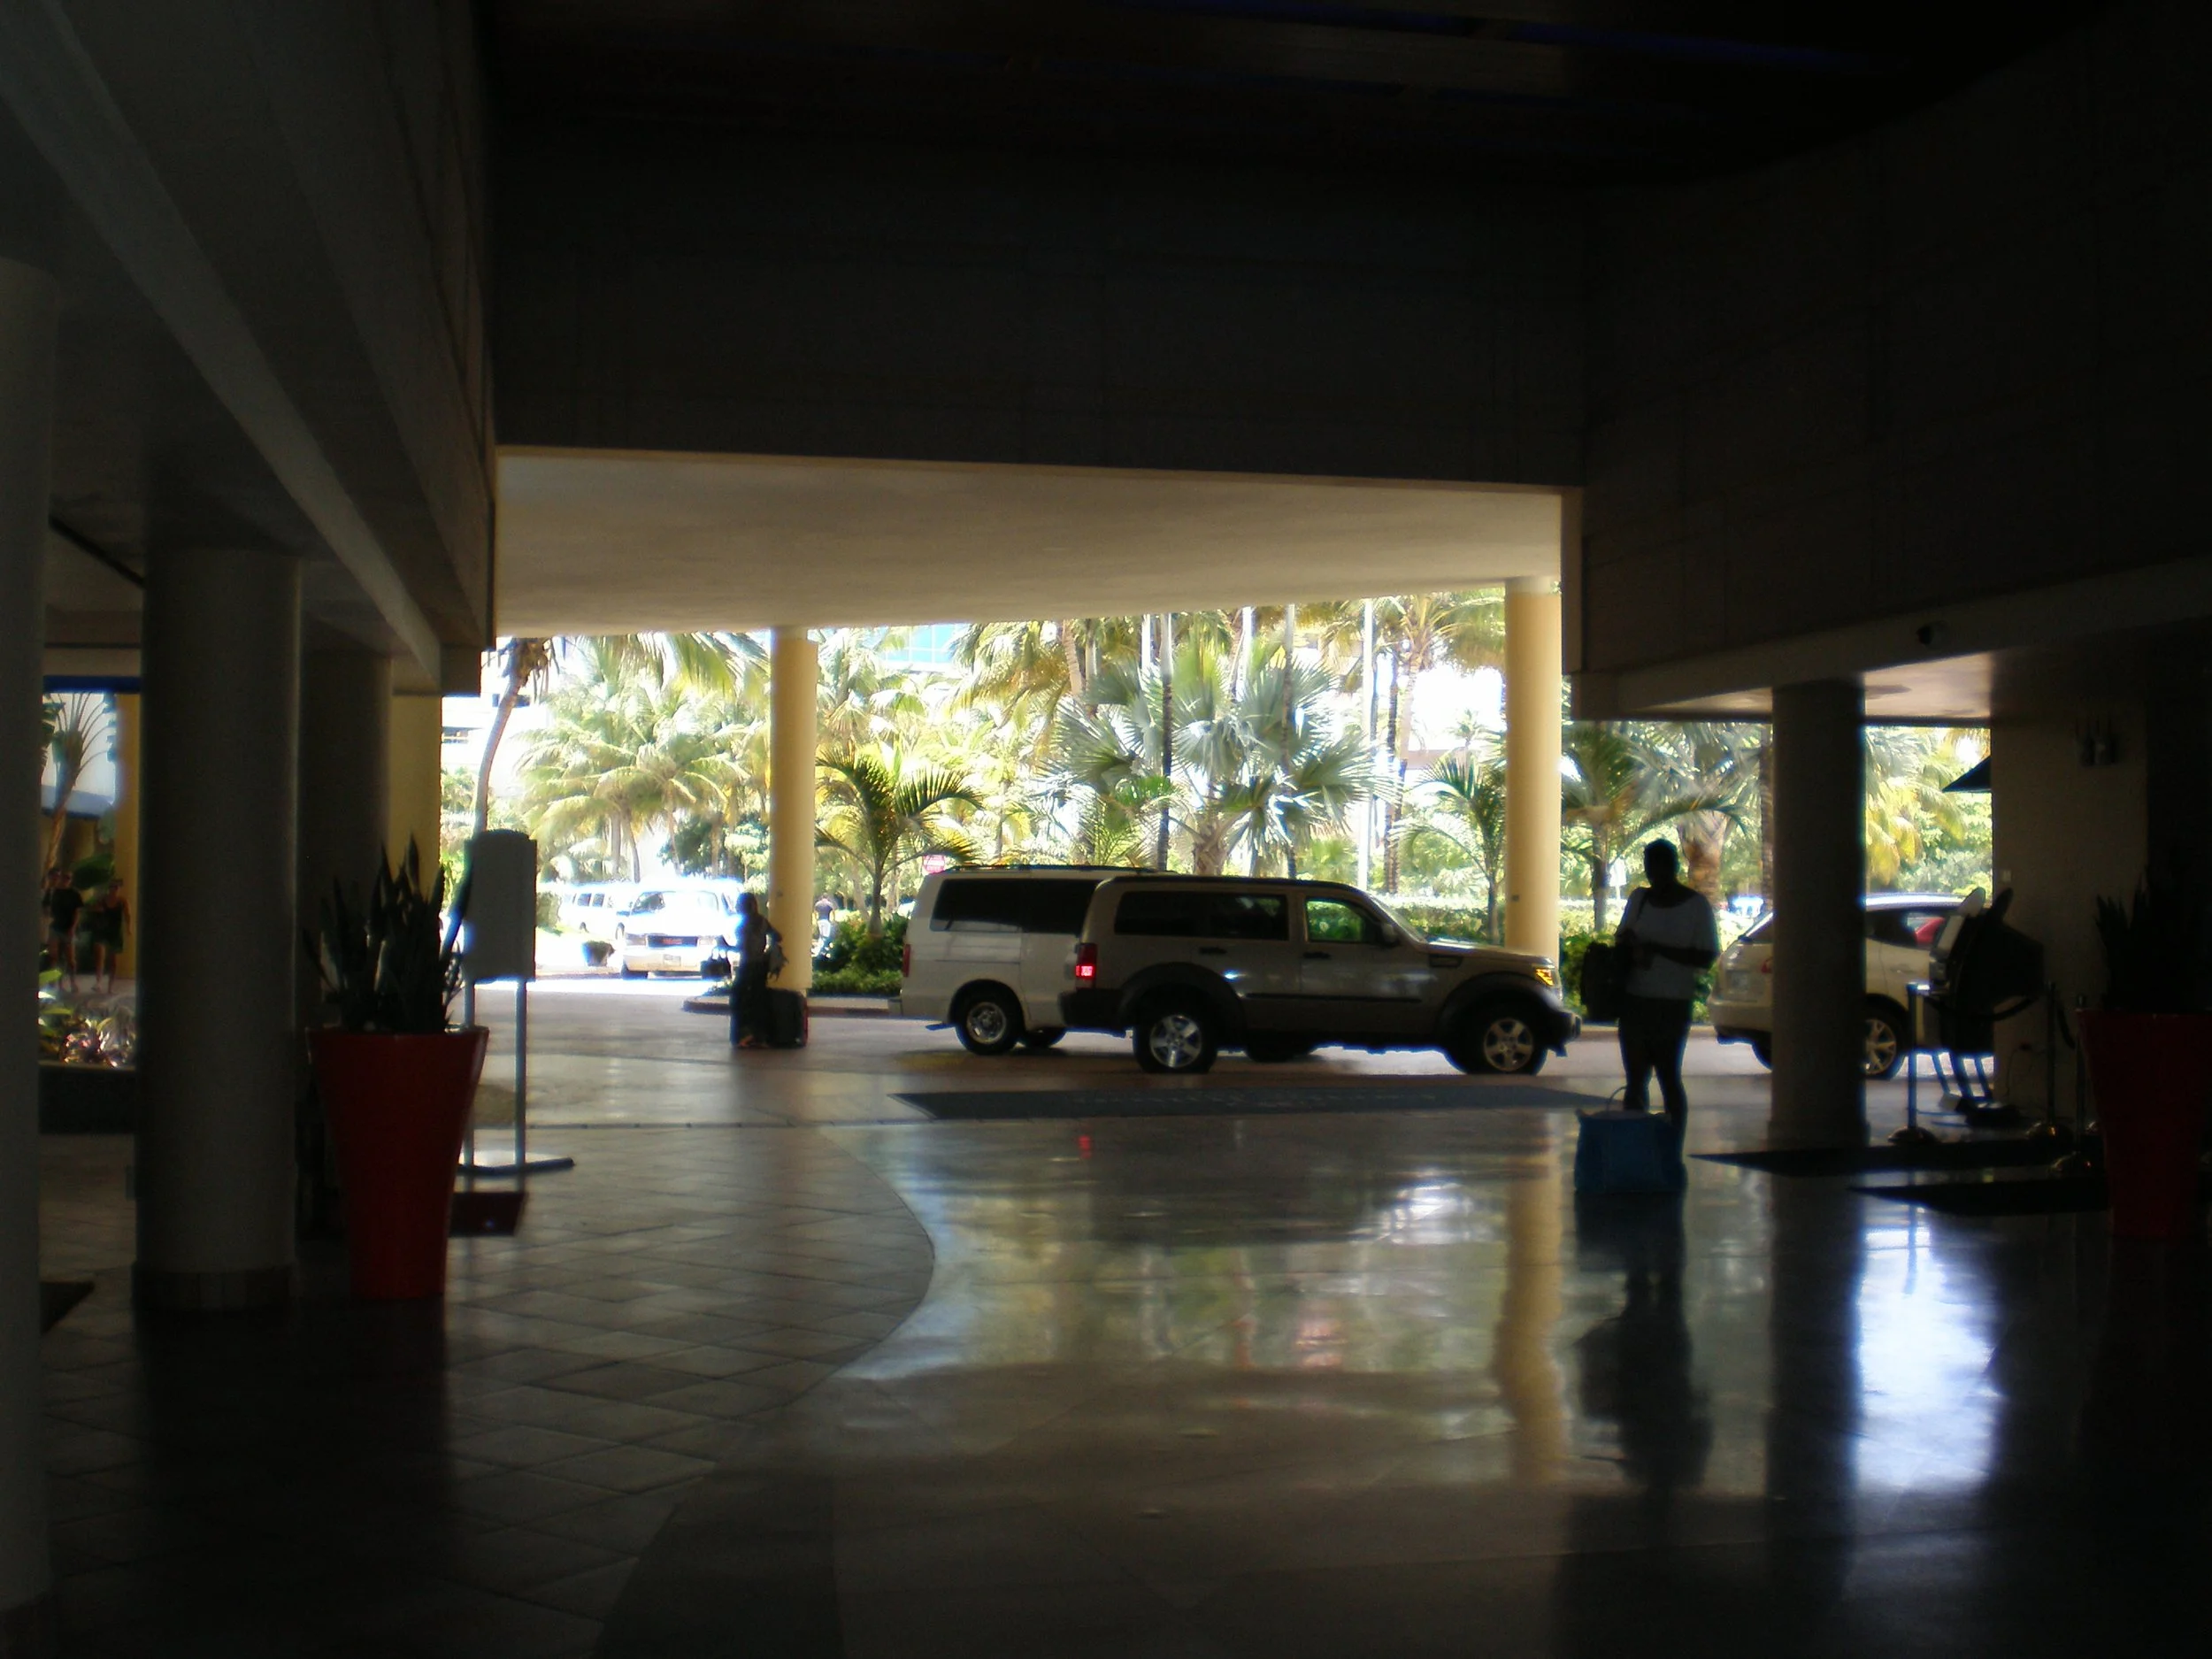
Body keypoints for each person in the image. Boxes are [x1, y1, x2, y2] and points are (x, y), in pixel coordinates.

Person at [1614, 841, 1718, 1130]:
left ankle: (1671, 1139)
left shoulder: (1696, 906)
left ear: (1673, 867)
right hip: (1636, 1000)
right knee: (1635, 1080)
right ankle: (1637, 1140)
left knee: (1668, 1076)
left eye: (1658, 866)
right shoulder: (1639, 899)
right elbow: (1621, 938)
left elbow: (1706, 956)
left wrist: (1657, 950)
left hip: (1673, 1003)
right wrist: (1632, 948)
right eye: (1650, 867)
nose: (1653, 874)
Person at [730, 891, 783, 1050]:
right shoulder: (762, 921)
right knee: (759, 1001)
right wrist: (767, 951)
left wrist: (725, 946)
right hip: (761, 966)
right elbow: (778, 937)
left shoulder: (744, 925)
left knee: (740, 1000)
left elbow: (745, 947)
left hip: (747, 966)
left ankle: (743, 1035)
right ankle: (759, 1036)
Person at [85, 878, 132, 995]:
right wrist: (96, 909)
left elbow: (128, 915)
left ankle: (110, 986)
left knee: (113, 960)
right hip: (102, 930)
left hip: (115, 932)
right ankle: (98, 982)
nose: (114, 890)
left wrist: (128, 928)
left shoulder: (122, 901)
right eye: (112, 887)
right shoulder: (102, 899)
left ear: (118, 889)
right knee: (99, 955)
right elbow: (91, 908)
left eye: (116, 887)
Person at [42, 868, 84, 995]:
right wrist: (48, 914)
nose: (65, 880)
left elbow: (77, 912)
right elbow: (45, 907)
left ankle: (72, 982)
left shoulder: (74, 894)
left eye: (68, 878)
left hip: (68, 928)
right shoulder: (52, 892)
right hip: (55, 927)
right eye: (64, 877)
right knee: (54, 956)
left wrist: (73, 928)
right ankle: (53, 983)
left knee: (70, 959)